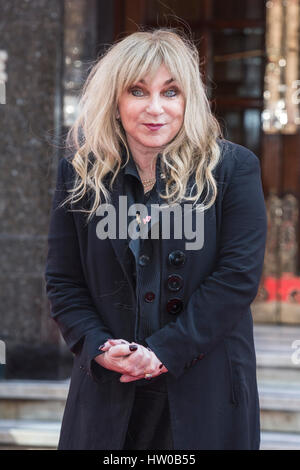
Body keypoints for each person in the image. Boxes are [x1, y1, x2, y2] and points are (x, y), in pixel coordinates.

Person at [45, 28, 267, 450]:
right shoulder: (78, 174)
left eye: (170, 92)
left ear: (189, 100)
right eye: (137, 91)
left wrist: (164, 350)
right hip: (108, 396)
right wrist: (96, 346)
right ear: (115, 100)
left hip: (207, 395)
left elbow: (237, 278)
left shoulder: (234, 169)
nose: (155, 109)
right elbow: (63, 281)